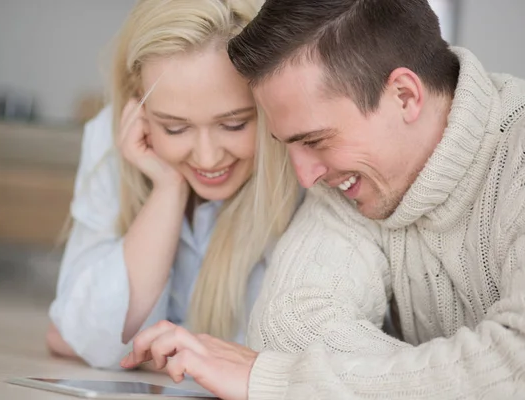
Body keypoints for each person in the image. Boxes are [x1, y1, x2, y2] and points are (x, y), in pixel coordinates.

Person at [121, 0, 525, 398]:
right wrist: (470, 373)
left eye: (316, 141)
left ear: (404, 96)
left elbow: (515, 366)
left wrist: (277, 382)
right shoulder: (355, 183)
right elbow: (289, 328)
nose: (305, 175)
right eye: (289, 146)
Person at [45, 0, 299, 370]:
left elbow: (290, 351)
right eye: (175, 128)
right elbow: (88, 337)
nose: (208, 158)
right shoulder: (113, 138)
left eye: (234, 124)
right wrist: (167, 189)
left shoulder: (302, 154)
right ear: (140, 107)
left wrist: (145, 352)